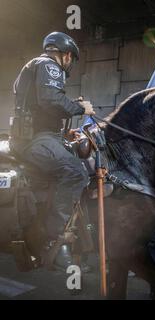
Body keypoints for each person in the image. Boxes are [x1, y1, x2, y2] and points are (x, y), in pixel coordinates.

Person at [12, 31, 95, 269]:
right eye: (72, 59)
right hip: (36, 140)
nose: (70, 64)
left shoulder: (37, 66)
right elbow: (50, 99)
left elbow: (41, 108)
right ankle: (50, 241)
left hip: (39, 137)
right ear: (66, 55)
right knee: (75, 173)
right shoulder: (49, 65)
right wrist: (81, 108)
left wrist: (63, 135)